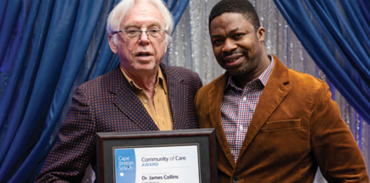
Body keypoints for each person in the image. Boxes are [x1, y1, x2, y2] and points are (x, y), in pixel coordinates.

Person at [194, 0, 368, 182]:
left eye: (237, 35)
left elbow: (352, 177)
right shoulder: (204, 98)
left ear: (260, 34)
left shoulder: (310, 93)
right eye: (218, 41)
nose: (228, 47)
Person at [35, 0, 202, 182]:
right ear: (113, 42)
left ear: (166, 41)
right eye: (132, 31)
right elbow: (52, 177)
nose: (144, 39)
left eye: (154, 31)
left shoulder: (189, 83)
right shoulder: (91, 98)